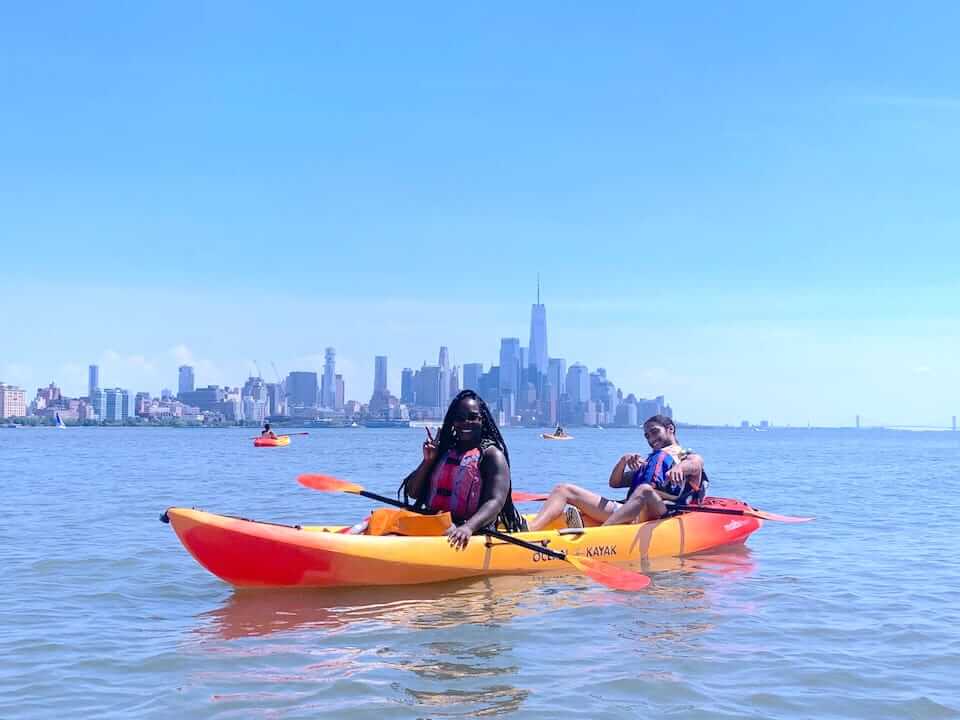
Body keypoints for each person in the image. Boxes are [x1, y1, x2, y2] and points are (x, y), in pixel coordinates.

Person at [528, 415, 705, 531]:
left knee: (645, 490)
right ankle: (528, 531)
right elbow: (615, 483)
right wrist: (623, 462)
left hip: (658, 514)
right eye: (647, 436)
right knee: (563, 489)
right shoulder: (650, 462)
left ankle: (600, 534)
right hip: (628, 510)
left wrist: (680, 468)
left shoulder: (683, 454)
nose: (651, 439)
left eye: (654, 432)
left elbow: (696, 464)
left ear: (670, 429)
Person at [400, 390, 524, 549]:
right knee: (385, 517)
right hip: (435, 524)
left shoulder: (492, 456)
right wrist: (428, 461)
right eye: (459, 418)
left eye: (472, 417)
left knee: (450, 528)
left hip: (471, 530)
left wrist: (468, 528)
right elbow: (413, 493)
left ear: (482, 420)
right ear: (453, 422)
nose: (466, 422)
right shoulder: (443, 451)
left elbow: (495, 501)